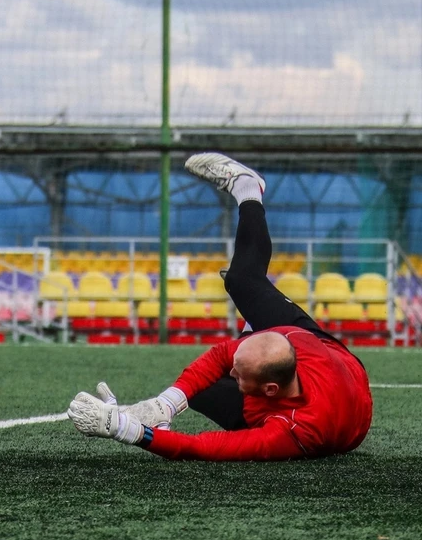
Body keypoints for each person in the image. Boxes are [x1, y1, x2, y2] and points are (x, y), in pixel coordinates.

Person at [67, 152, 373, 461]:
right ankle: (248, 188)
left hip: (338, 419)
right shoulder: (297, 339)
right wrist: (166, 404)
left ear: (268, 390)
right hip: (329, 356)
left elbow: (199, 447)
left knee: (204, 391)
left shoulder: (293, 430)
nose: (230, 370)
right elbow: (219, 356)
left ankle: (200, 399)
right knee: (241, 280)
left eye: (239, 374)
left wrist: (125, 428)